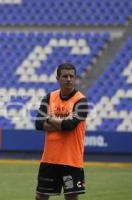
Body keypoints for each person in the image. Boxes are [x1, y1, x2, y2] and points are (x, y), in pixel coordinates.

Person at [34, 63, 88, 200]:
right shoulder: (49, 97)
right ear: (58, 78)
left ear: (75, 78)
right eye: (65, 76)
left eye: (71, 76)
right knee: (40, 196)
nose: (68, 79)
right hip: (49, 158)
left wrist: (50, 118)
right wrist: (61, 123)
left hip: (71, 160)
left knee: (71, 197)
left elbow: (70, 125)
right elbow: (38, 123)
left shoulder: (81, 101)